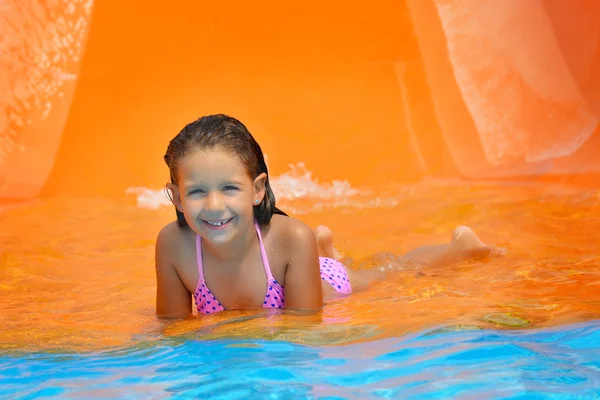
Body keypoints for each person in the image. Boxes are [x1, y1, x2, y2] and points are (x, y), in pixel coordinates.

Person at [155, 114, 504, 319]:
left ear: (257, 189)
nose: (214, 205)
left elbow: (305, 329)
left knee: (391, 271)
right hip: (299, 268)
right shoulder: (174, 245)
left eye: (229, 188)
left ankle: (458, 250)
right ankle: (327, 250)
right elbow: (173, 329)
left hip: (326, 285)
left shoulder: (292, 238)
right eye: (198, 191)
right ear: (177, 197)